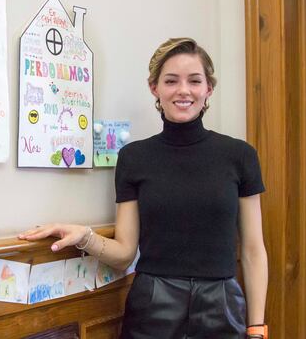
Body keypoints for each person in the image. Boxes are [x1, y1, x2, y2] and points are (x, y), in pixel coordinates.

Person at [19, 38, 268, 339]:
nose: (183, 90)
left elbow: (254, 251)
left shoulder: (239, 155)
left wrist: (257, 327)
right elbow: (125, 251)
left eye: (194, 81)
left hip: (222, 306)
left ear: (208, 89)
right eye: (171, 81)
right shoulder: (135, 157)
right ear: (155, 88)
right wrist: (84, 236)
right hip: (154, 304)